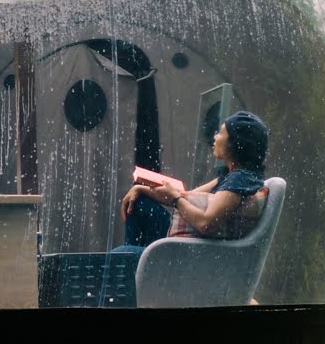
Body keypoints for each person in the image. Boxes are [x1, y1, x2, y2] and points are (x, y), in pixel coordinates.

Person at [115, 110, 270, 259]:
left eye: (222, 132)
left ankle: (133, 263)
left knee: (120, 255)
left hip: (190, 252)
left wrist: (176, 200)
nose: (215, 137)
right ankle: (134, 265)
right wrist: (141, 188)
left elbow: (206, 223)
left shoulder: (238, 181)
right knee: (139, 202)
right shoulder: (233, 177)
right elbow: (187, 196)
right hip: (188, 241)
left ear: (236, 143)